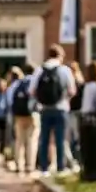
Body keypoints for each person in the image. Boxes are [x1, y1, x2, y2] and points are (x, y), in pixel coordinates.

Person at [30, 44, 77, 175]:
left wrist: (42, 99)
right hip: (61, 109)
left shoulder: (40, 70)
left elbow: (32, 91)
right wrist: (64, 98)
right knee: (60, 139)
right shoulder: (65, 70)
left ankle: (44, 168)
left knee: (44, 139)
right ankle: (60, 167)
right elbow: (72, 90)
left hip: (44, 109)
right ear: (60, 56)